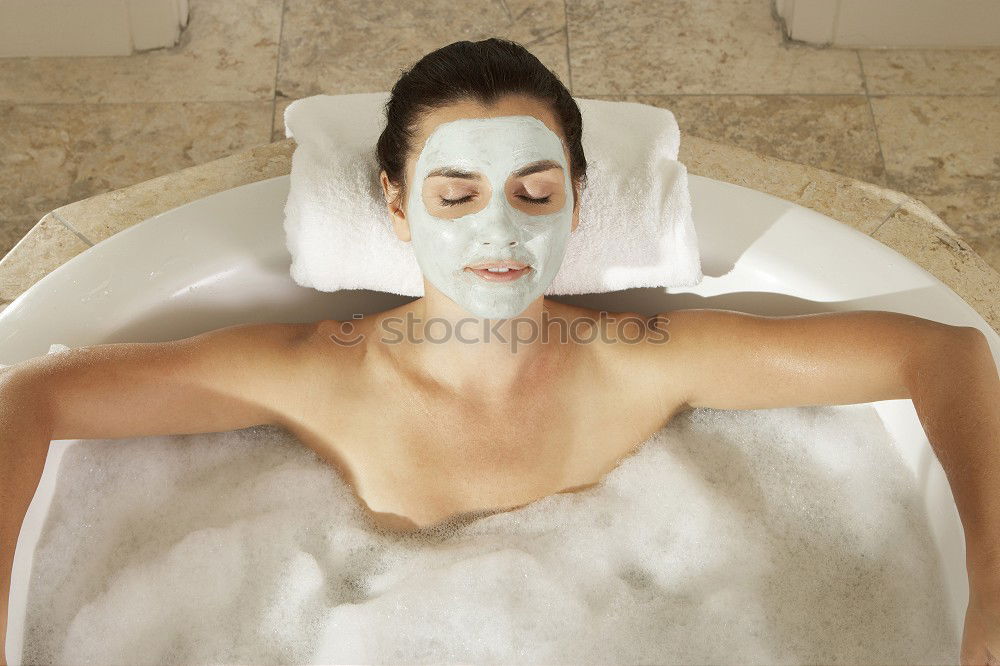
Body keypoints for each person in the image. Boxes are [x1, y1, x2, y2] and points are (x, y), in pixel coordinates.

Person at [1, 37, 997, 666]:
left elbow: (947, 355)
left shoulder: (638, 357)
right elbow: (33, 398)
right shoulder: (318, 373)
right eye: (455, 196)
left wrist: (990, 578)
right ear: (395, 203)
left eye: (534, 193)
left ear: (573, 198)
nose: (500, 235)